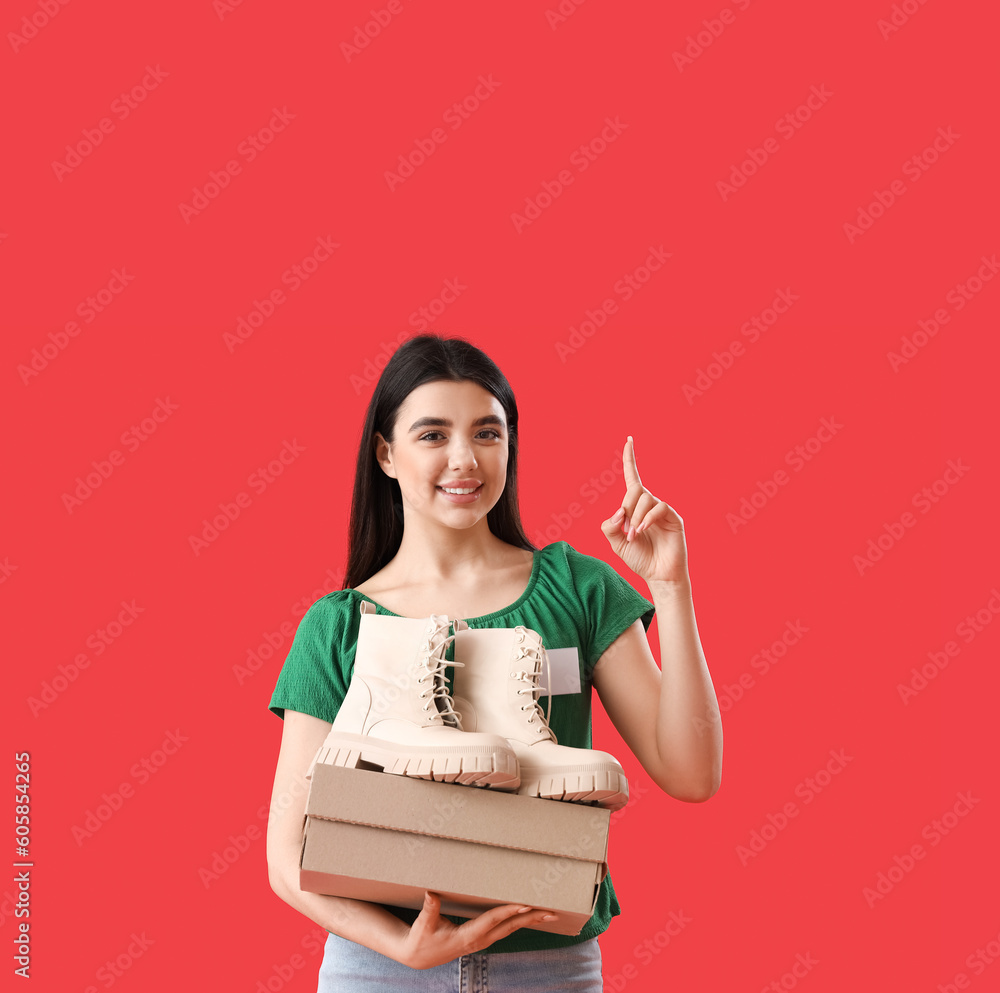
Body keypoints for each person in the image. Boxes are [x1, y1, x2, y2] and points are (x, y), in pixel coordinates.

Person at [265, 333, 722, 991]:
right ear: (385, 454)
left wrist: (671, 586)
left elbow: (691, 771)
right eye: (432, 434)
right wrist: (403, 944)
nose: (464, 458)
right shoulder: (338, 626)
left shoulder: (577, 591)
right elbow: (286, 855)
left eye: (487, 432)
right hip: (382, 969)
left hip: (547, 968)